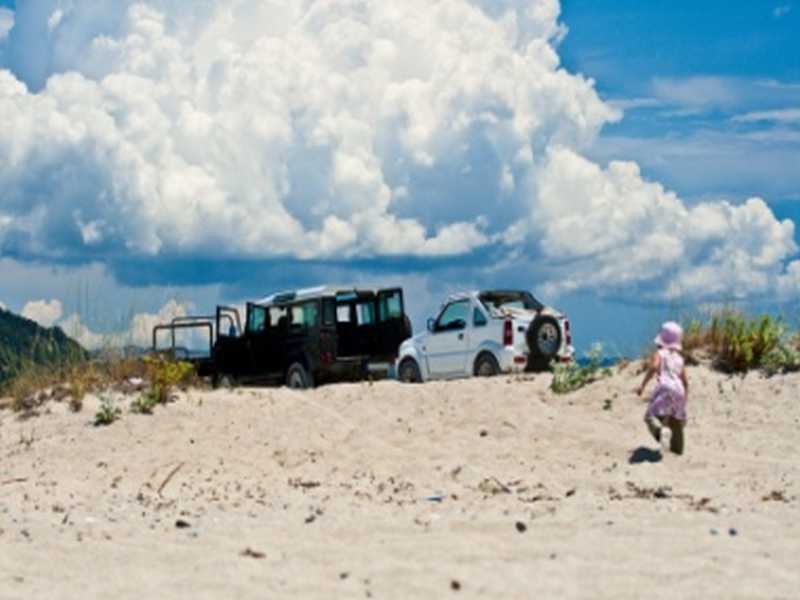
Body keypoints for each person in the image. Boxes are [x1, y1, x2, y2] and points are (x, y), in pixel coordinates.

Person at [636, 321, 688, 455]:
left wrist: (642, 385)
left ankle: (660, 431)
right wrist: (684, 400)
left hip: (665, 386)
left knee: (650, 416)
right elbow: (685, 381)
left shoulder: (660, 353)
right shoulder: (680, 359)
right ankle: (677, 448)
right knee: (674, 418)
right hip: (679, 389)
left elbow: (654, 367)